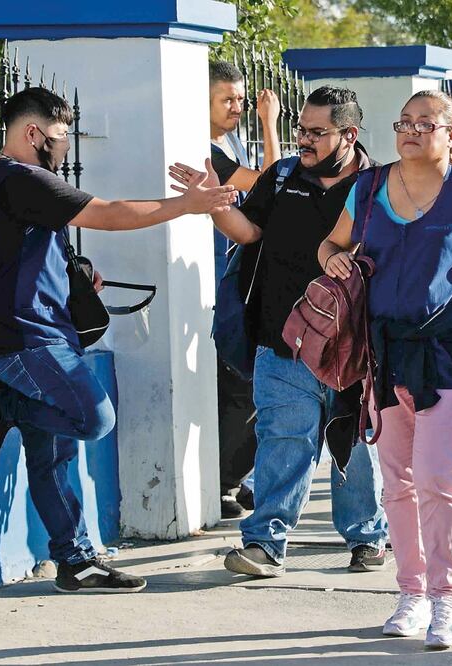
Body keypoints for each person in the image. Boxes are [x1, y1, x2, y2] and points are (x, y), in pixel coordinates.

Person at [0, 87, 236, 593]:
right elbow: (110, 213)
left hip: (47, 330)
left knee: (54, 457)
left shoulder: (14, 184)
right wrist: (188, 204)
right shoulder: (20, 178)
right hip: (25, 339)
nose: (65, 146)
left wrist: (77, 275)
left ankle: (75, 562)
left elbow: (21, 256)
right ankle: (9, 404)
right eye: (61, 136)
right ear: (33, 133)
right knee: (94, 417)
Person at [320, 90, 452, 649]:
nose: (411, 131)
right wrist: (334, 257)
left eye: (425, 123)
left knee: (438, 480)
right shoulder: (368, 189)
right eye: (404, 122)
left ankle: (447, 600)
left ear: (451, 136)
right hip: (384, 355)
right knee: (397, 483)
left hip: (445, 357)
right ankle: (410, 594)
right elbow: (330, 245)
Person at [170, 86, 388, 577]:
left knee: (350, 445)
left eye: (317, 133)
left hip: (352, 349)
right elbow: (249, 231)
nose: (304, 141)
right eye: (301, 130)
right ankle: (265, 544)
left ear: (349, 135)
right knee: (282, 441)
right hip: (281, 342)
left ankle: (367, 537)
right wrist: (208, 203)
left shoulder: (378, 186)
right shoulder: (285, 174)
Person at [208, 61, 281, 519]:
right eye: (226, 99)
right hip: (220, 277)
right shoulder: (208, 152)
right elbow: (274, 183)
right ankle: (221, 480)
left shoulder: (229, 142)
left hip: (241, 271)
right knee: (239, 384)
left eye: (240, 98)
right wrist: (270, 126)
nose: (238, 107)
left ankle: (230, 479)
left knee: (245, 386)